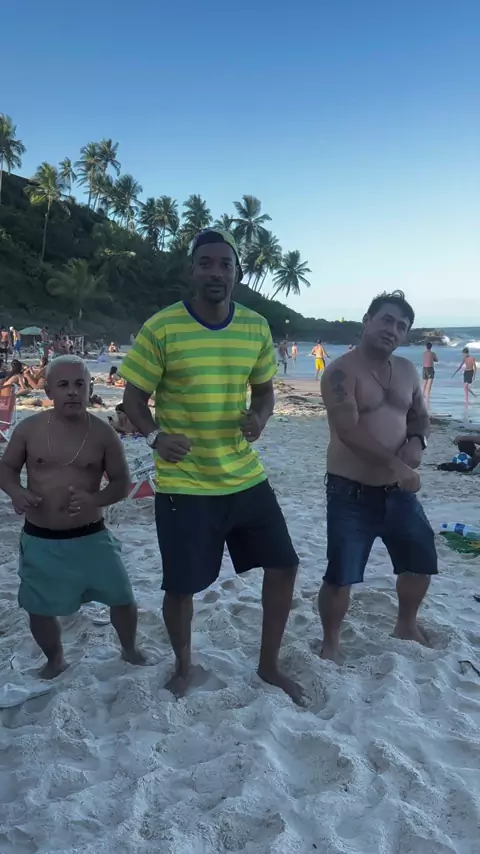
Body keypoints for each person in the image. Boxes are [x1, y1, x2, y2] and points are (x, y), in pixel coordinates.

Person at [120, 227, 301, 703]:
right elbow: (133, 399)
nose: (216, 272)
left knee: (284, 565)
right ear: (192, 271)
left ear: (237, 273)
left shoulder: (255, 327)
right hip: (185, 483)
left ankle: (269, 665)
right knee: (181, 587)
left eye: (225, 264)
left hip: (244, 475)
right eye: (206, 263)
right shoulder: (162, 327)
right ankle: (183, 666)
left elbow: (264, 392)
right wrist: (156, 437)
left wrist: (259, 418)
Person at [0, 356, 145, 678]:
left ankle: (130, 649)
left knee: (122, 597)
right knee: (39, 608)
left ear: (90, 388)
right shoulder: (29, 429)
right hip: (41, 537)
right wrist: (16, 492)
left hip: (91, 535)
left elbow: (121, 483)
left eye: (80, 384)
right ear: (49, 391)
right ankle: (55, 660)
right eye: (63, 385)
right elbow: (6, 468)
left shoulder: (103, 434)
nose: (72, 391)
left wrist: (96, 499)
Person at [319, 290, 437, 663]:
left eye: (401, 326)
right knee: (341, 572)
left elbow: (420, 415)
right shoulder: (341, 372)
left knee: (419, 558)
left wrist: (417, 442)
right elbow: (348, 431)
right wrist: (397, 465)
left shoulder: (406, 370)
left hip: (399, 492)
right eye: (386, 320)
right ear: (367, 320)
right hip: (350, 491)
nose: (393, 330)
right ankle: (331, 643)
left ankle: (406, 625)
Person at [422, 341, 438, 407]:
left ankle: (422, 395)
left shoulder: (424, 353)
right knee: (429, 384)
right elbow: (436, 360)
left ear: (426, 347)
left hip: (424, 368)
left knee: (424, 383)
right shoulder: (432, 353)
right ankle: (427, 398)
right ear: (431, 347)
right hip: (430, 369)